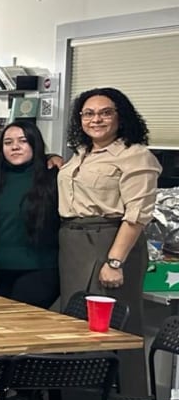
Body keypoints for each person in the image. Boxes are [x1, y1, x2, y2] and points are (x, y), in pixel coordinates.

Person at [58, 87, 160, 342]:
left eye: (105, 113)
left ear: (120, 116)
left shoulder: (135, 156)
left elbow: (136, 215)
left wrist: (115, 263)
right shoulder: (81, 153)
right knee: (75, 322)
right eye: (88, 114)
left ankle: (117, 371)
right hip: (73, 245)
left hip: (109, 242)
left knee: (111, 326)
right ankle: (77, 370)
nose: (96, 119)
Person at [0, 120, 59, 309]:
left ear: (35, 143)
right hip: (1, 269)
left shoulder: (53, 176)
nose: (15, 147)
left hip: (40, 269)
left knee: (20, 319)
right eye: (8, 142)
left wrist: (53, 157)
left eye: (23, 141)